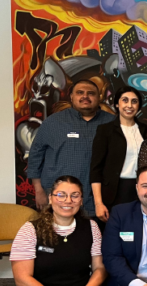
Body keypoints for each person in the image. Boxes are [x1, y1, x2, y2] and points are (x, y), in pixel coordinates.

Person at [28, 79, 115, 215]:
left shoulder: (113, 122)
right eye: (80, 92)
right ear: (71, 97)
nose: (85, 96)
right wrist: (39, 191)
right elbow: (35, 157)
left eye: (91, 93)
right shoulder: (53, 123)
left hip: (99, 201)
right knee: (57, 235)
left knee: (94, 235)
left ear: (99, 98)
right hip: (59, 200)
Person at [90, 86, 147, 226]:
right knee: (114, 234)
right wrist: (98, 203)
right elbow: (95, 169)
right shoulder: (105, 130)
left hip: (141, 190)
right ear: (117, 104)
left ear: (139, 106)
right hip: (114, 193)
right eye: (125, 100)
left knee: (138, 232)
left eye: (134, 101)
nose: (129, 105)